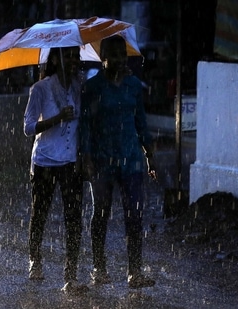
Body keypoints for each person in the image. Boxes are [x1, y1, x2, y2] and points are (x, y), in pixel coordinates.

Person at [80, 35, 157, 289]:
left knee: (134, 215)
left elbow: (141, 123)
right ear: (103, 59)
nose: (120, 60)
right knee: (100, 214)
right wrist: (87, 157)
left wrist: (150, 156)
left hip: (131, 160)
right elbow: (86, 126)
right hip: (102, 161)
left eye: (123, 55)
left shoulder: (134, 86)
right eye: (114, 55)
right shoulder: (93, 88)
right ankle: (98, 268)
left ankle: (134, 271)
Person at [23, 47, 88, 294]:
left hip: (71, 162)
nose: (73, 60)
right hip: (45, 162)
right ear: (55, 59)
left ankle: (70, 275)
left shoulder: (77, 86)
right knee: (40, 213)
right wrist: (57, 118)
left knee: (74, 219)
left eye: (75, 55)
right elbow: (28, 128)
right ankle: (35, 260)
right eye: (68, 55)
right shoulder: (40, 89)